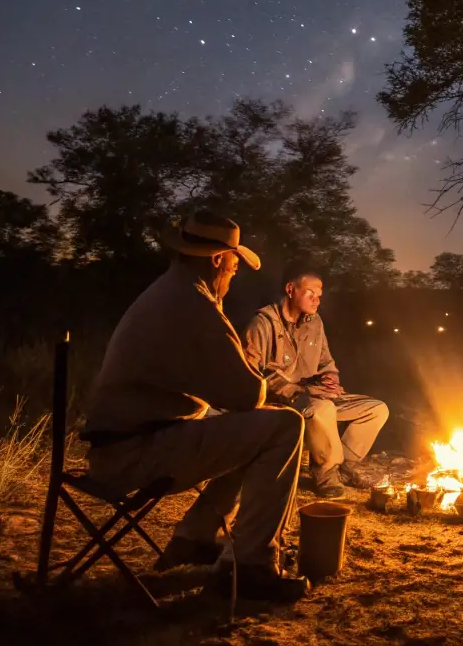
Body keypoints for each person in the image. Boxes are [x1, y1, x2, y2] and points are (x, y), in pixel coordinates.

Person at [81, 212, 308, 602]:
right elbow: (245, 392)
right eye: (234, 265)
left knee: (247, 426)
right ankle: (252, 564)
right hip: (137, 452)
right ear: (218, 260)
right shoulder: (194, 305)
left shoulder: (170, 292)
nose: (234, 275)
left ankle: (194, 539)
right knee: (284, 425)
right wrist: (257, 382)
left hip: (122, 444)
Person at [243, 260, 389, 499]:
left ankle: (344, 465)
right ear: (291, 290)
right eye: (310, 293)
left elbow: (325, 361)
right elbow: (253, 373)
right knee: (320, 409)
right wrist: (301, 391)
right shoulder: (263, 323)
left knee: (376, 409)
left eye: (319, 294)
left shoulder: (315, 323)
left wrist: (330, 379)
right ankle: (324, 472)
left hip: (315, 394)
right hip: (284, 400)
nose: (316, 300)